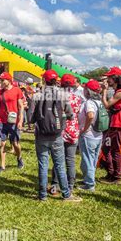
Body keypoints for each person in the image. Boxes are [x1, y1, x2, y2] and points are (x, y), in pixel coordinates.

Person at [28, 70, 82, 202]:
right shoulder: (62, 95)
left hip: (41, 135)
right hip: (57, 135)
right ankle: (66, 194)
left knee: (43, 165)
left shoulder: (37, 96)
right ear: (55, 80)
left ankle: (42, 195)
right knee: (59, 165)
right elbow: (70, 115)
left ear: (44, 80)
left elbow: (30, 119)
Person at [50, 74, 82, 195]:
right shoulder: (77, 98)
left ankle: (55, 185)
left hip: (59, 130)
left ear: (61, 83)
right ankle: (70, 185)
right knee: (70, 160)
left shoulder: (56, 97)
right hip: (73, 130)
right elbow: (77, 114)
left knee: (58, 160)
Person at [0, 72, 25, 173]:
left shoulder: (17, 90)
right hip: (2, 121)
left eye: (2, 80)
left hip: (14, 121)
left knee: (15, 143)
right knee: (2, 143)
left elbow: (21, 106)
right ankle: (2, 166)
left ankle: (19, 158)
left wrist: (21, 120)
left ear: (8, 80)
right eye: (0, 80)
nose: (0, 82)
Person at [99, 67, 121, 184]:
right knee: (106, 148)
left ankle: (116, 177)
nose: (107, 80)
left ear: (115, 78)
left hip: (119, 125)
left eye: (109, 77)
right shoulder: (120, 90)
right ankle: (111, 174)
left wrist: (104, 91)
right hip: (115, 124)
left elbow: (106, 105)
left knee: (115, 151)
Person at [78, 80, 104, 191]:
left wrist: (84, 129)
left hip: (88, 135)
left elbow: (90, 115)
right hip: (98, 135)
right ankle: (89, 179)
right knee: (92, 159)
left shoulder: (89, 102)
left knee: (87, 159)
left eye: (84, 89)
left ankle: (89, 184)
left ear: (88, 91)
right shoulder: (100, 102)